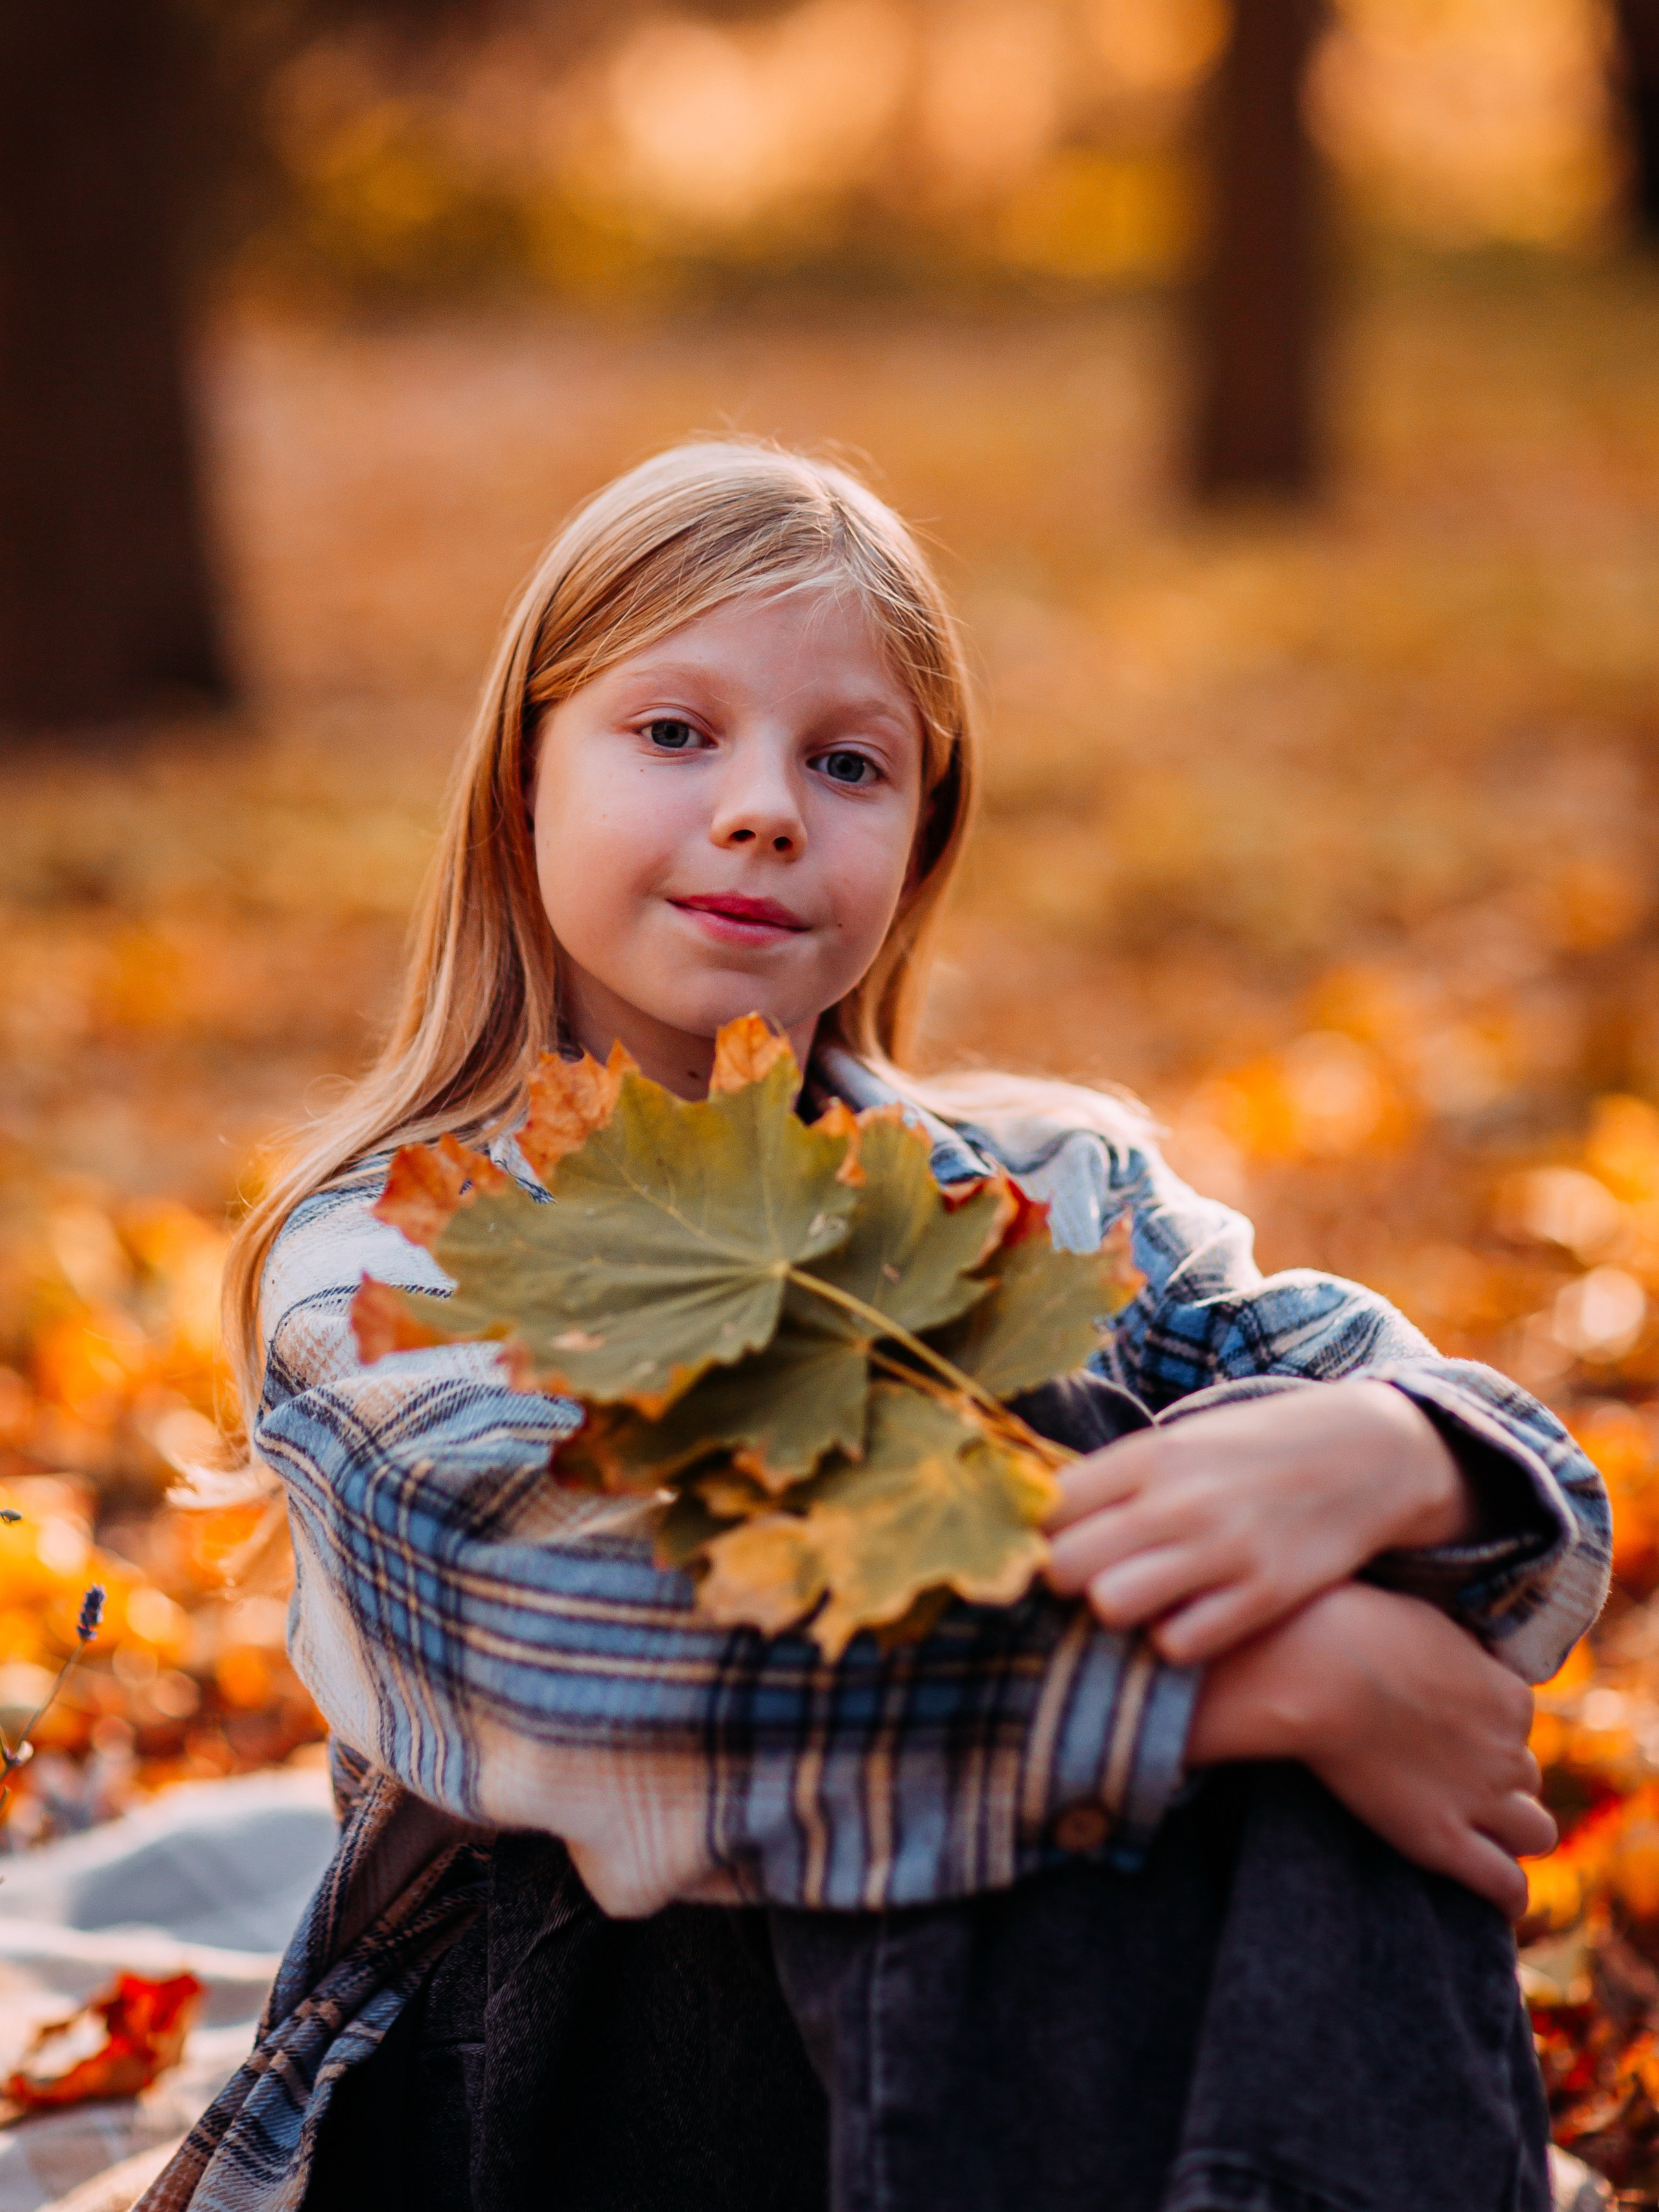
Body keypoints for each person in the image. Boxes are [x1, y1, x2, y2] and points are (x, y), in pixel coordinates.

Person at [141, 442, 1610, 2212]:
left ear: (919, 848)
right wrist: (1250, 1689)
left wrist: (1392, 1459)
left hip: (1064, 2072)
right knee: (1068, 1466)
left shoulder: (1055, 1184)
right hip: (579, 2078)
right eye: (676, 733)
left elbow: (1486, 1540)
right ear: (523, 778)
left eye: (847, 764)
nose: (765, 808)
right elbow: (599, 1647)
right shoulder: (385, 1251)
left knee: (1204, 1472)